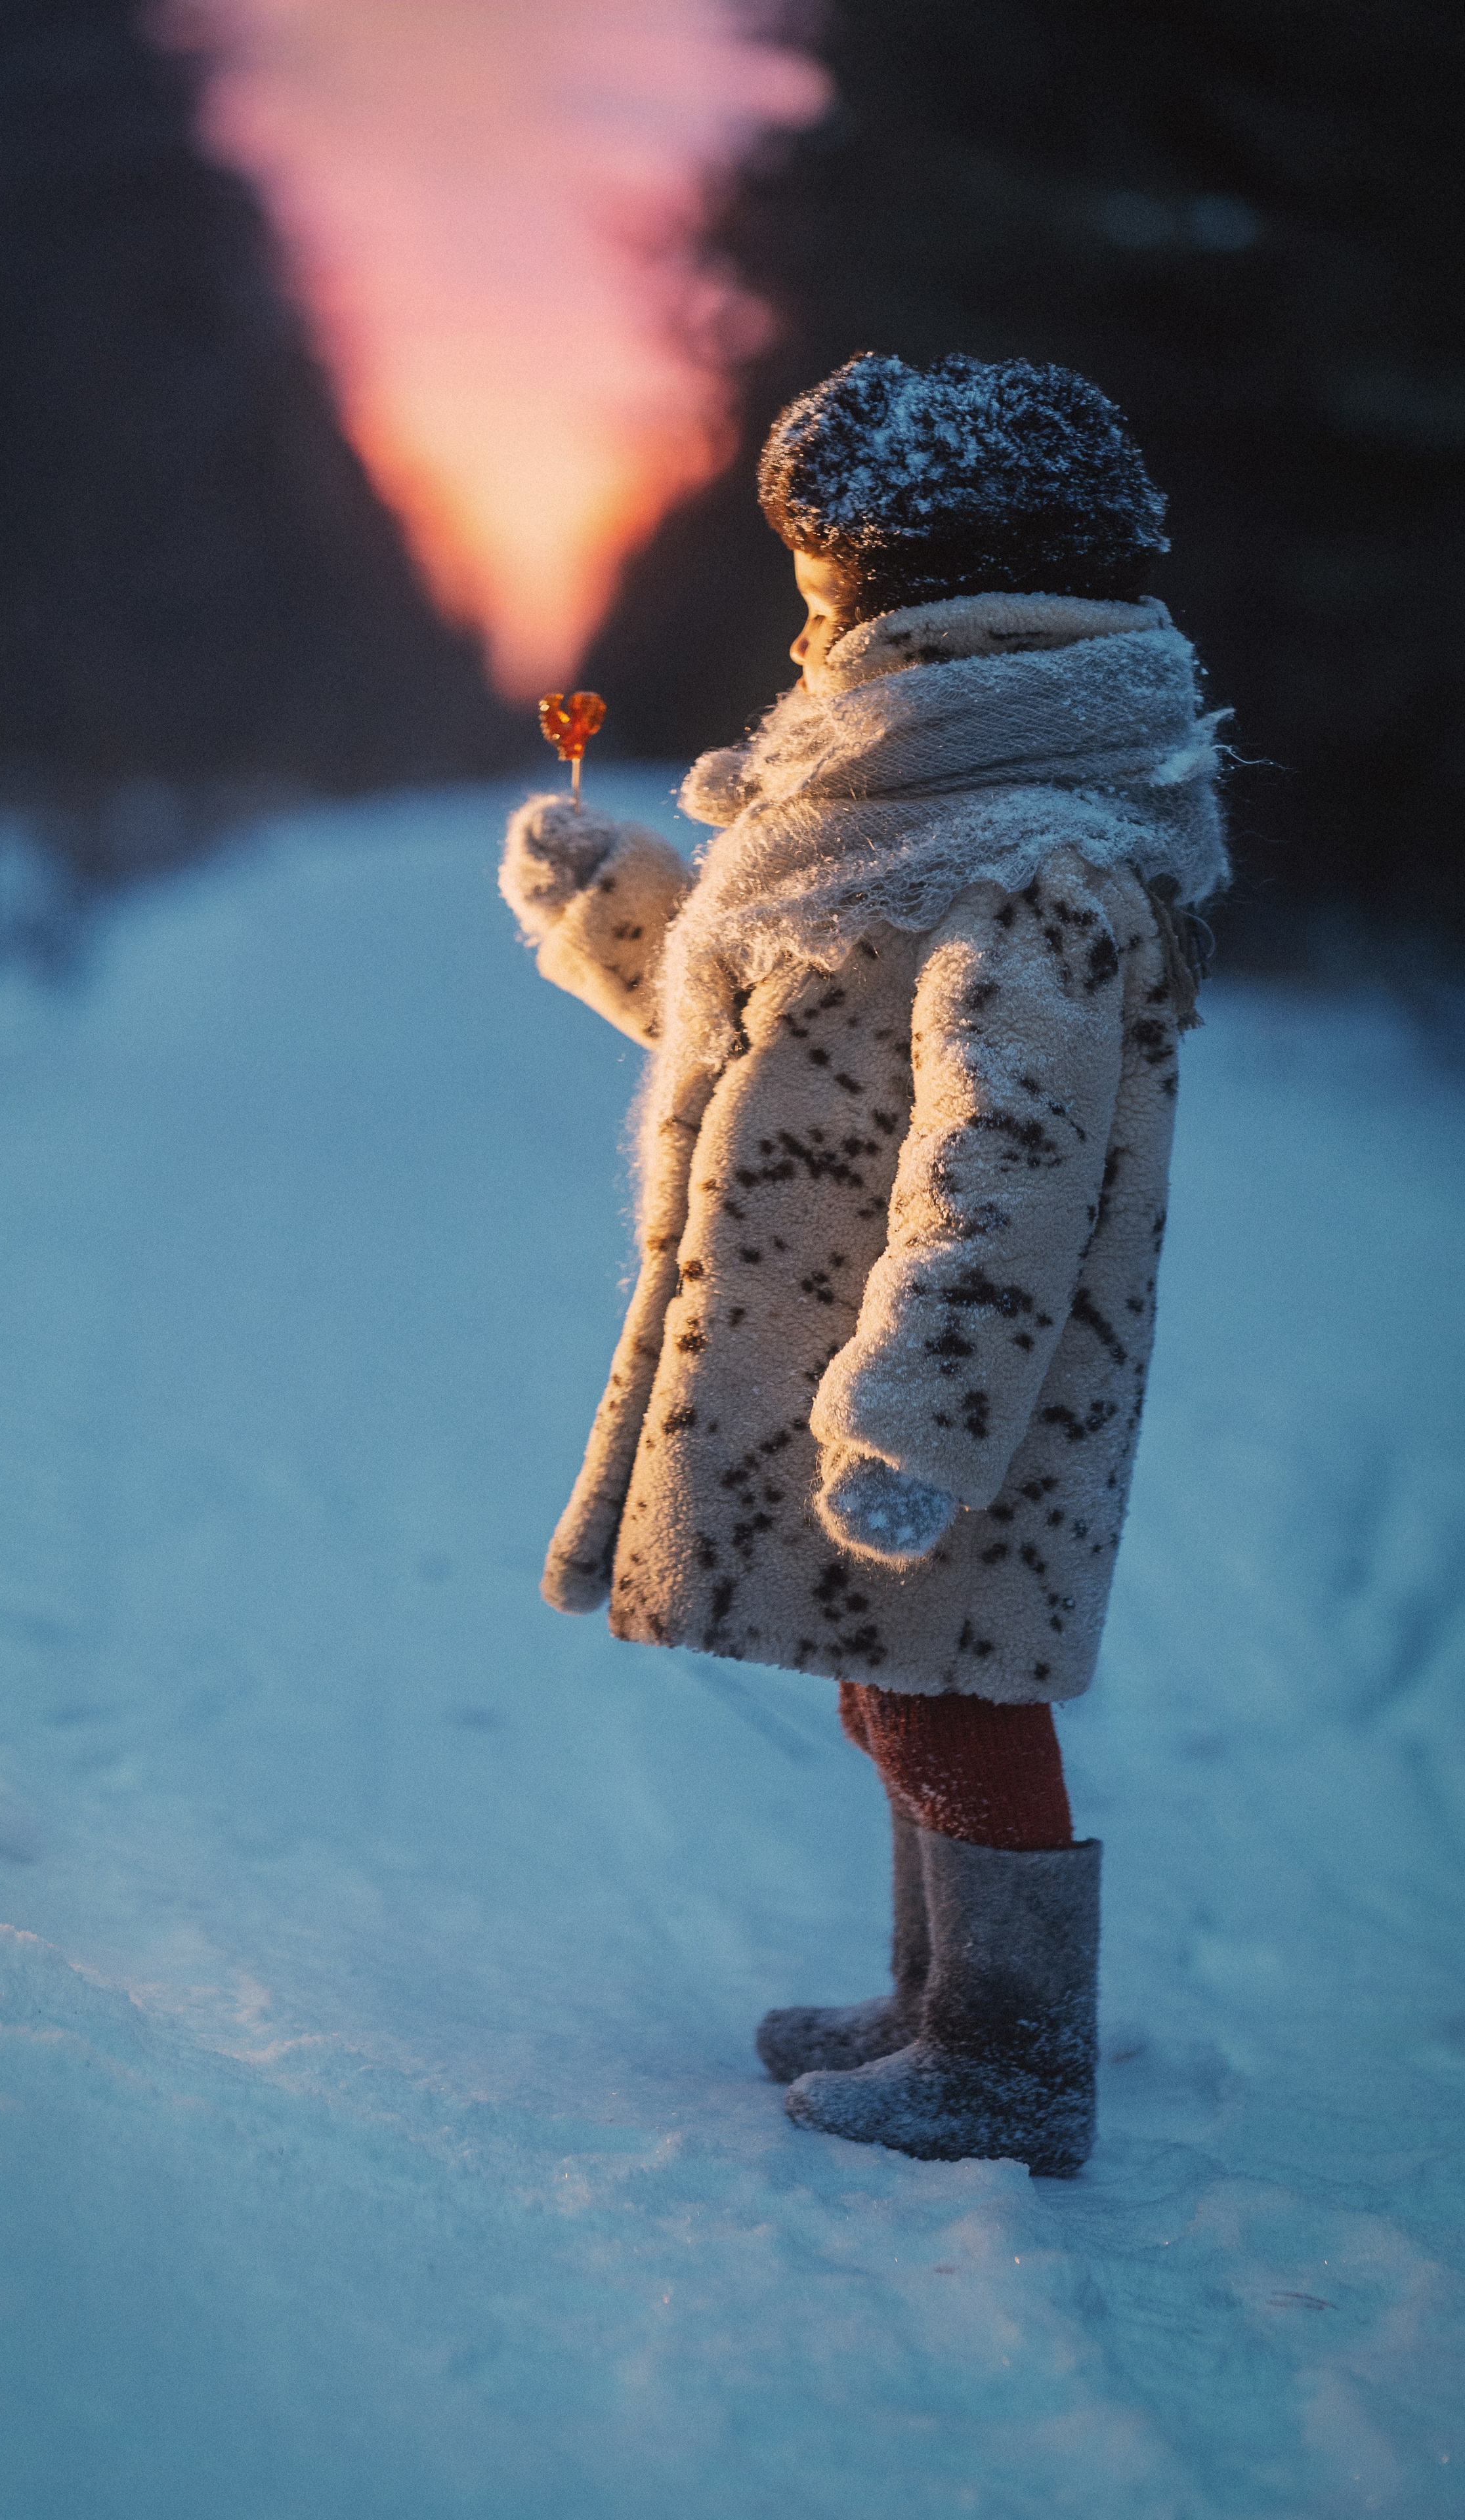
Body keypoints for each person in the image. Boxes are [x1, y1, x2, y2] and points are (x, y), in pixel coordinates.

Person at [498, 353, 1226, 2176]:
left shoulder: (1040, 846)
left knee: (952, 1683)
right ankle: (933, 2003)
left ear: (918, 590)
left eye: (826, 580)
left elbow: (1014, 1163)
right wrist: (614, 908)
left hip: (945, 1383)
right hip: (855, 1362)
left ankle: (1007, 2052)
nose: (811, 622)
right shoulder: (895, 804)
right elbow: (779, 1032)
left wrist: (924, 1402)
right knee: (888, 1674)